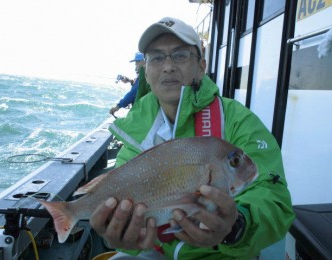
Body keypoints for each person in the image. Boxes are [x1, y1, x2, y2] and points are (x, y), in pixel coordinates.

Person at [90, 17, 295, 259]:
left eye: (180, 55)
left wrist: (237, 226)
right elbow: (125, 212)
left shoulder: (239, 121)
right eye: (156, 58)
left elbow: (275, 200)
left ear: (201, 66)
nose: (168, 66)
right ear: (146, 72)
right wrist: (122, 236)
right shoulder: (136, 131)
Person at [109, 52, 145, 116]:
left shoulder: (143, 77)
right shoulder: (144, 76)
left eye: (136, 62)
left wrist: (118, 106)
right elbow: (140, 87)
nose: (135, 65)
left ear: (141, 62)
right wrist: (129, 81)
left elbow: (133, 93)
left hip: (142, 113)